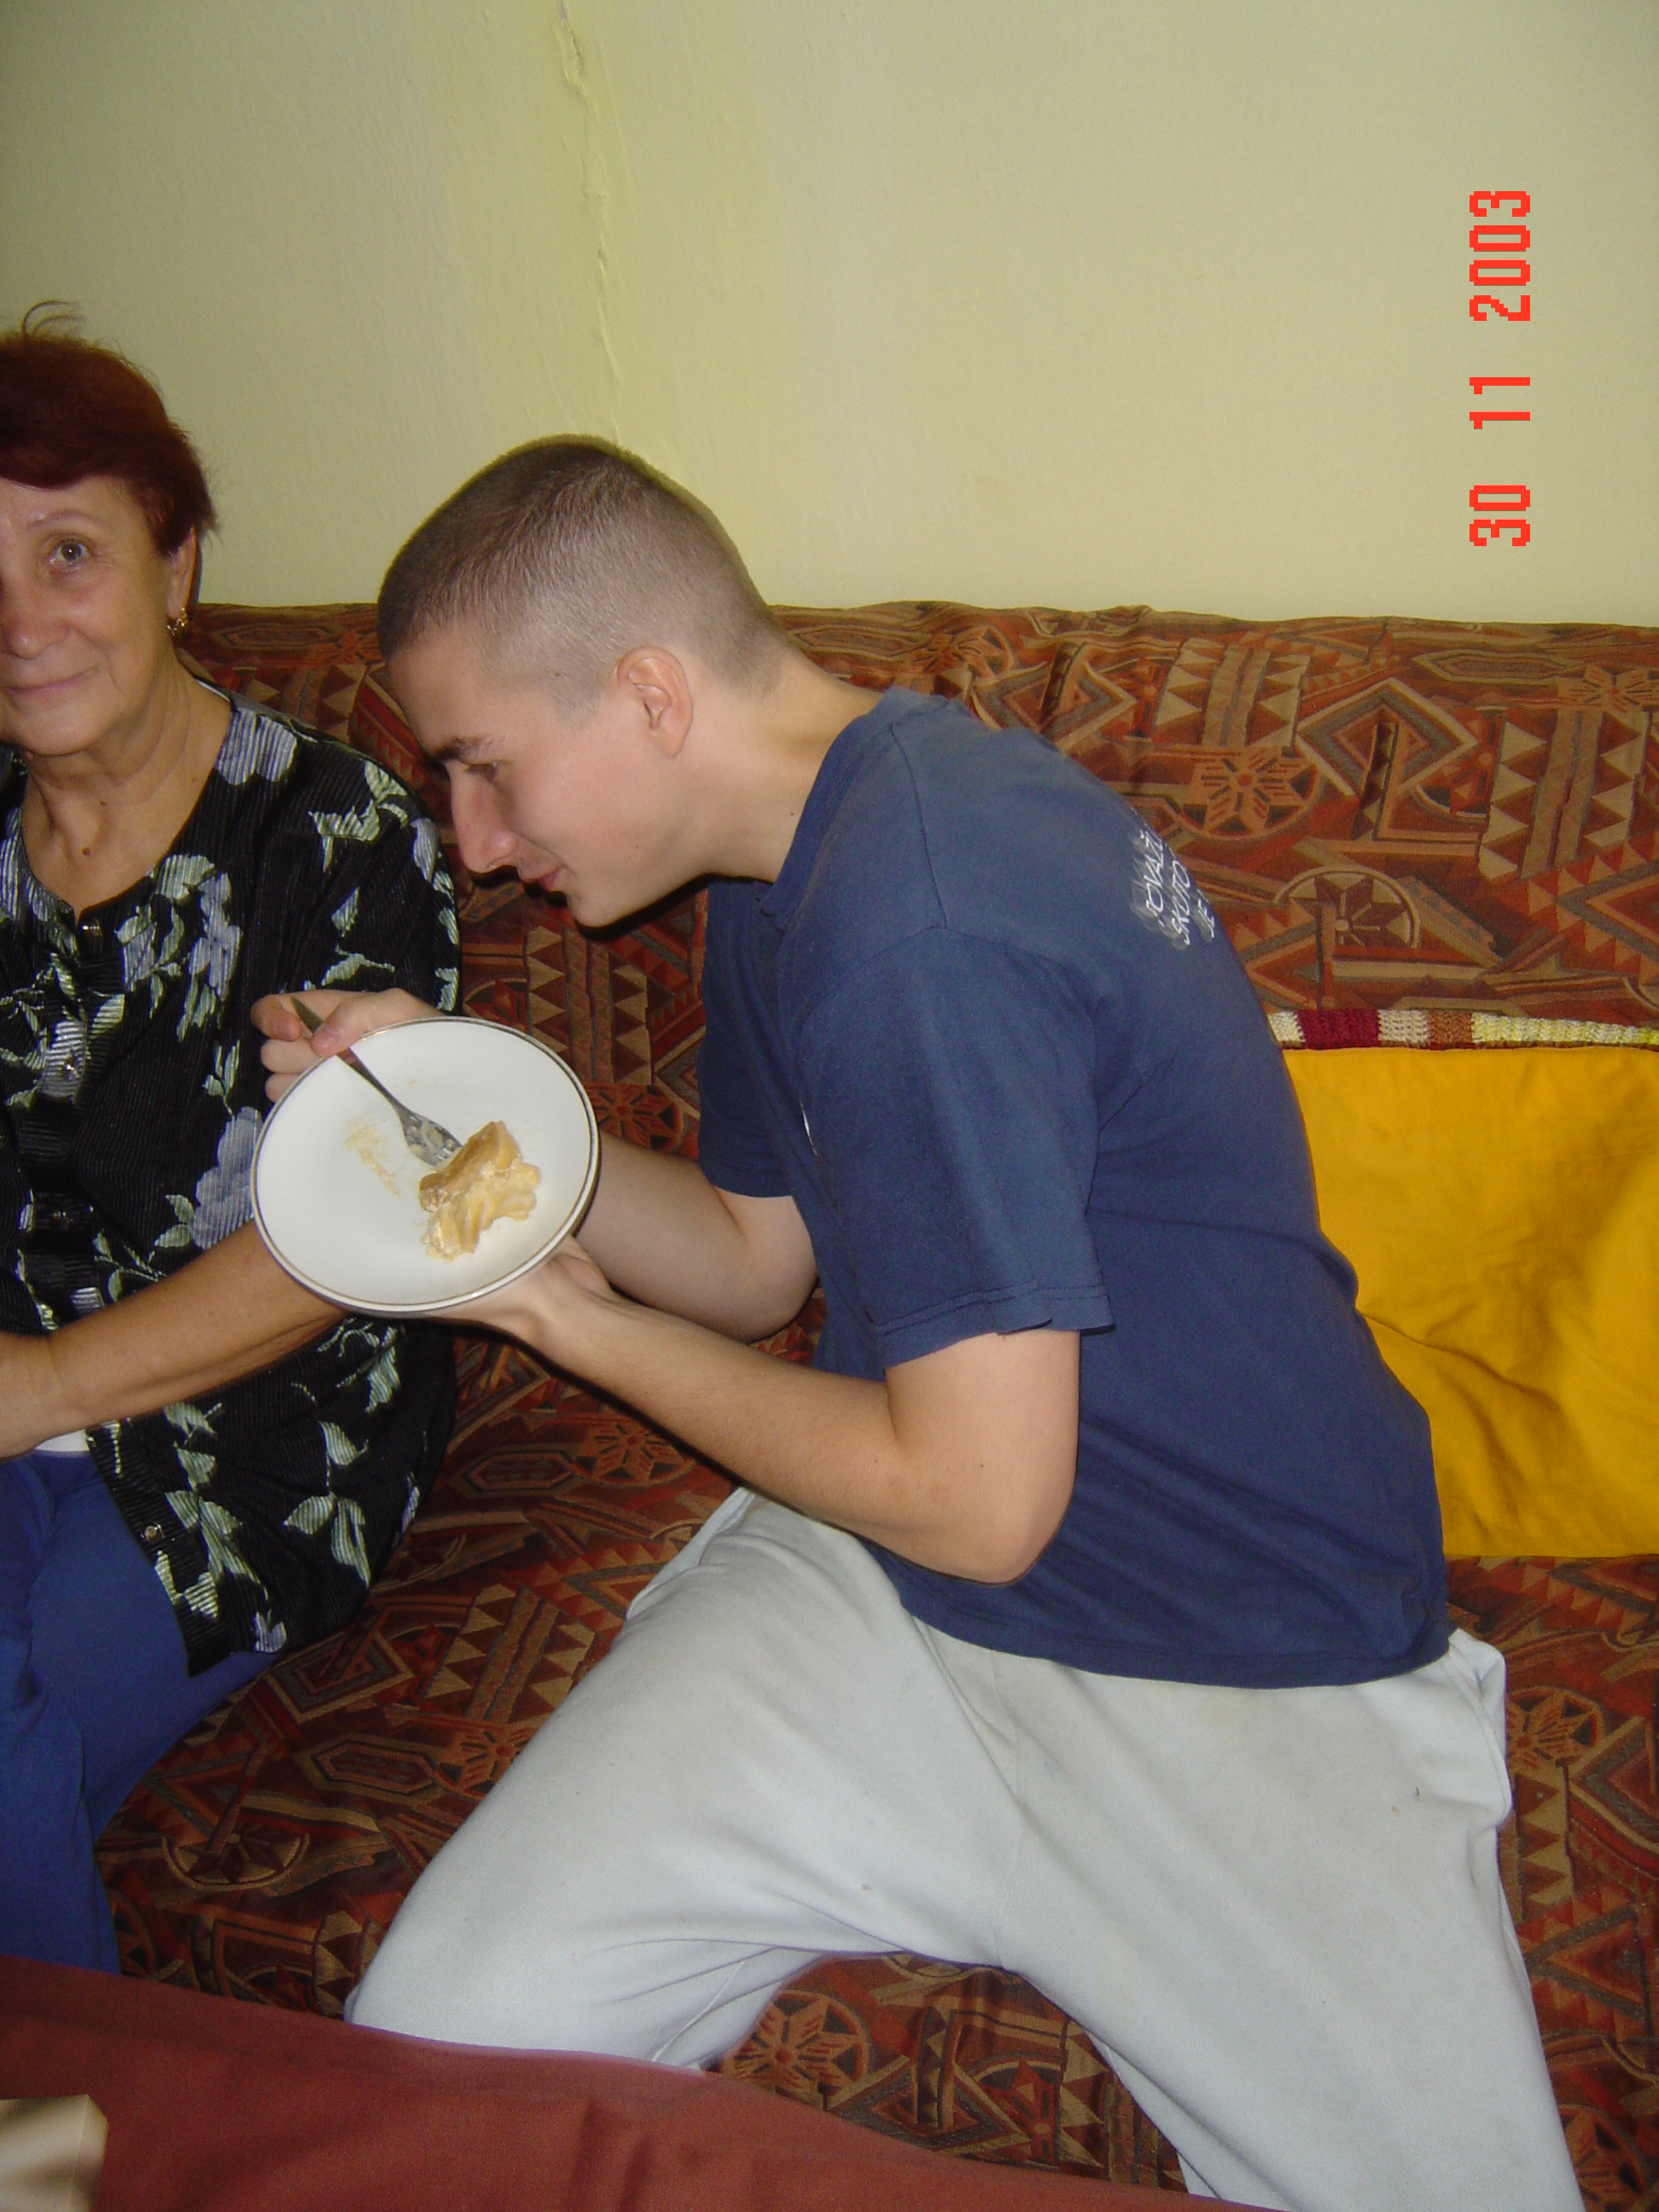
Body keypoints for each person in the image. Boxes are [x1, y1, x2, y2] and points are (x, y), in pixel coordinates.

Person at [257, 439, 1579, 2211]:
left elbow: (981, 1498)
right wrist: (472, 1088)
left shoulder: (919, 920)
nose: (476, 849)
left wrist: (577, 1329)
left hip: (1228, 1639)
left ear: (648, 695)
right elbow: (752, 1261)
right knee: (438, 2052)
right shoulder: (796, 854)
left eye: (484, 768)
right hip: (891, 1591)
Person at [0, 318, 460, 1974]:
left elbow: (352, 1240)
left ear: (177, 565)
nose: (20, 620)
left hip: (252, 1436)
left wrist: (39, 1392)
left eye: (68, 552)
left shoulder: (334, 837)